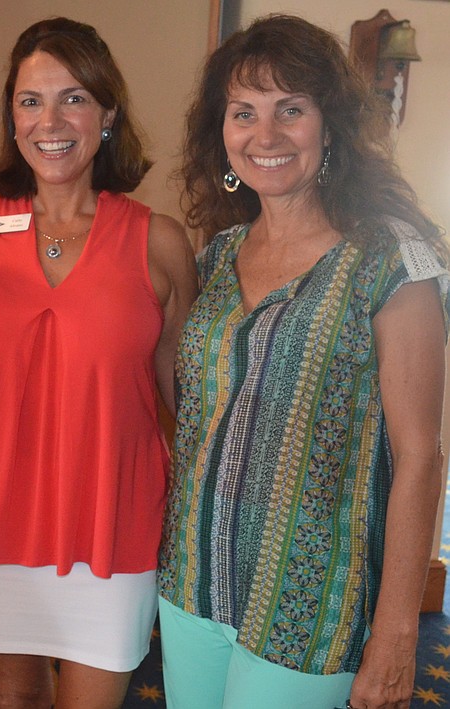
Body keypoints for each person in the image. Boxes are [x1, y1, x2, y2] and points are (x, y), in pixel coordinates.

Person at [157, 14, 449, 709]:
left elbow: (420, 456)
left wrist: (398, 628)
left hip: (311, 605)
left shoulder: (388, 259)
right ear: (221, 135)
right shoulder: (218, 256)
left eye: (291, 109)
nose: (266, 135)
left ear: (330, 125)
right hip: (193, 578)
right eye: (244, 113)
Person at [0, 17, 198, 709]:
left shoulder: (159, 243)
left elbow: (185, 396)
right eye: (31, 100)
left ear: (108, 114)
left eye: (74, 97)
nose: (50, 120)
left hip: (112, 521)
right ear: (13, 116)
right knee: (13, 694)